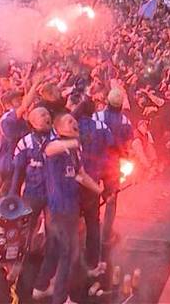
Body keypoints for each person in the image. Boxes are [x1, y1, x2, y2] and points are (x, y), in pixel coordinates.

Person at [35, 112, 103, 304]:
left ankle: (40, 288)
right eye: (69, 121)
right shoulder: (54, 144)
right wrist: (73, 142)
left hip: (70, 209)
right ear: (59, 128)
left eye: (75, 120)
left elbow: (80, 175)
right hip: (60, 209)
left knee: (56, 250)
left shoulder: (74, 151)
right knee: (69, 253)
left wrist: (98, 189)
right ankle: (61, 299)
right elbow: (49, 150)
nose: (75, 123)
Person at [92, 88, 134, 266]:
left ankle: (92, 232)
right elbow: (127, 144)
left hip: (94, 163)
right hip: (111, 165)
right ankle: (106, 235)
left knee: (92, 200)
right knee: (111, 201)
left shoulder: (96, 117)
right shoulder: (125, 121)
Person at [76, 101, 114, 275]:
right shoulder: (102, 127)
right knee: (92, 223)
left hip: (72, 183)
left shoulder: (70, 127)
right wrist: (108, 185)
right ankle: (92, 263)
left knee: (71, 224)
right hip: (93, 182)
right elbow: (110, 154)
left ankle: (73, 265)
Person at [11, 107, 53, 244]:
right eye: (43, 115)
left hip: (54, 195)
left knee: (53, 232)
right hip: (32, 194)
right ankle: (24, 258)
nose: (47, 116)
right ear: (33, 121)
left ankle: (50, 261)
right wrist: (13, 194)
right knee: (26, 230)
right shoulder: (24, 143)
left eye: (48, 114)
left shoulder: (58, 140)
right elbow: (18, 171)